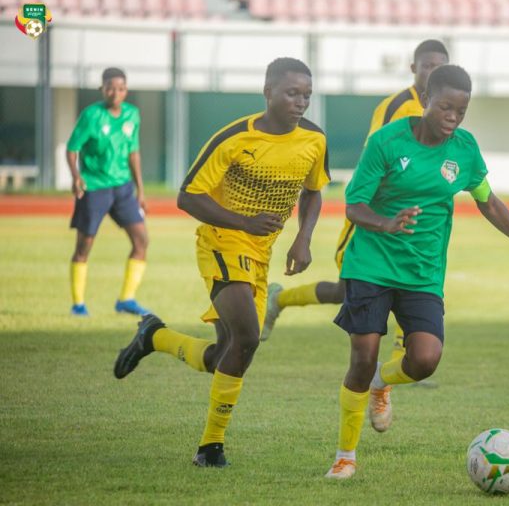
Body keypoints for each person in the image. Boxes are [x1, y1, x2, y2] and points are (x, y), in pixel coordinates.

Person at [324, 65, 509, 479]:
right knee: (362, 356)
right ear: (426, 98)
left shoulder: (464, 149)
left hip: (423, 273)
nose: (452, 117)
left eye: (461, 111)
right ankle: (346, 455)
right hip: (371, 265)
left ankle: (382, 382)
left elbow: (489, 202)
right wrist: (386, 223)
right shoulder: (387, 142)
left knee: (426, 359)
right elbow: (354, 206)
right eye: (445, 107)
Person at [112, 57, 329, 467]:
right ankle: (210, 447)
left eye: (306, 95)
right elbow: (188, 196)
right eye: (291, 93)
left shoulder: (314, 140)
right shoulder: (232, 138)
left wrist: (302, 237)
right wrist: (244, 220)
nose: (300, 102)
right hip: (221, 241)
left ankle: (155, 337)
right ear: (268, 93)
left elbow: (314, 190)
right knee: (248, 336)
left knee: (226, 354)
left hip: (261, 254)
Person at [261, 39, 450, 358]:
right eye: (428, 66)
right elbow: (377, 157)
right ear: (414, 68)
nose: (434, 73)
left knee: (409, 282)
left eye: (440, 67)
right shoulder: (397, 106)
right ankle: (278, 300)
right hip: (374, 217)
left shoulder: (442, 108)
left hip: (412, 217)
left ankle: (401, 365)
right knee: (349, 289)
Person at [66, 67, 150, 317]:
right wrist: (76, 177)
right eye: (110, 88)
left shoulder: (132, 115)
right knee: (84, 247)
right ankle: (78, 304)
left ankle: (126, 299)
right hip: (94, 188)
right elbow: (72, 149)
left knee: (142, 241)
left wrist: (140, 190)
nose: (116, 93)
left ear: (126, 90)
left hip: (123, 188)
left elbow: (133, 152)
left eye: (121, 88)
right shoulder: (91, 116)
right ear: (102, 89)